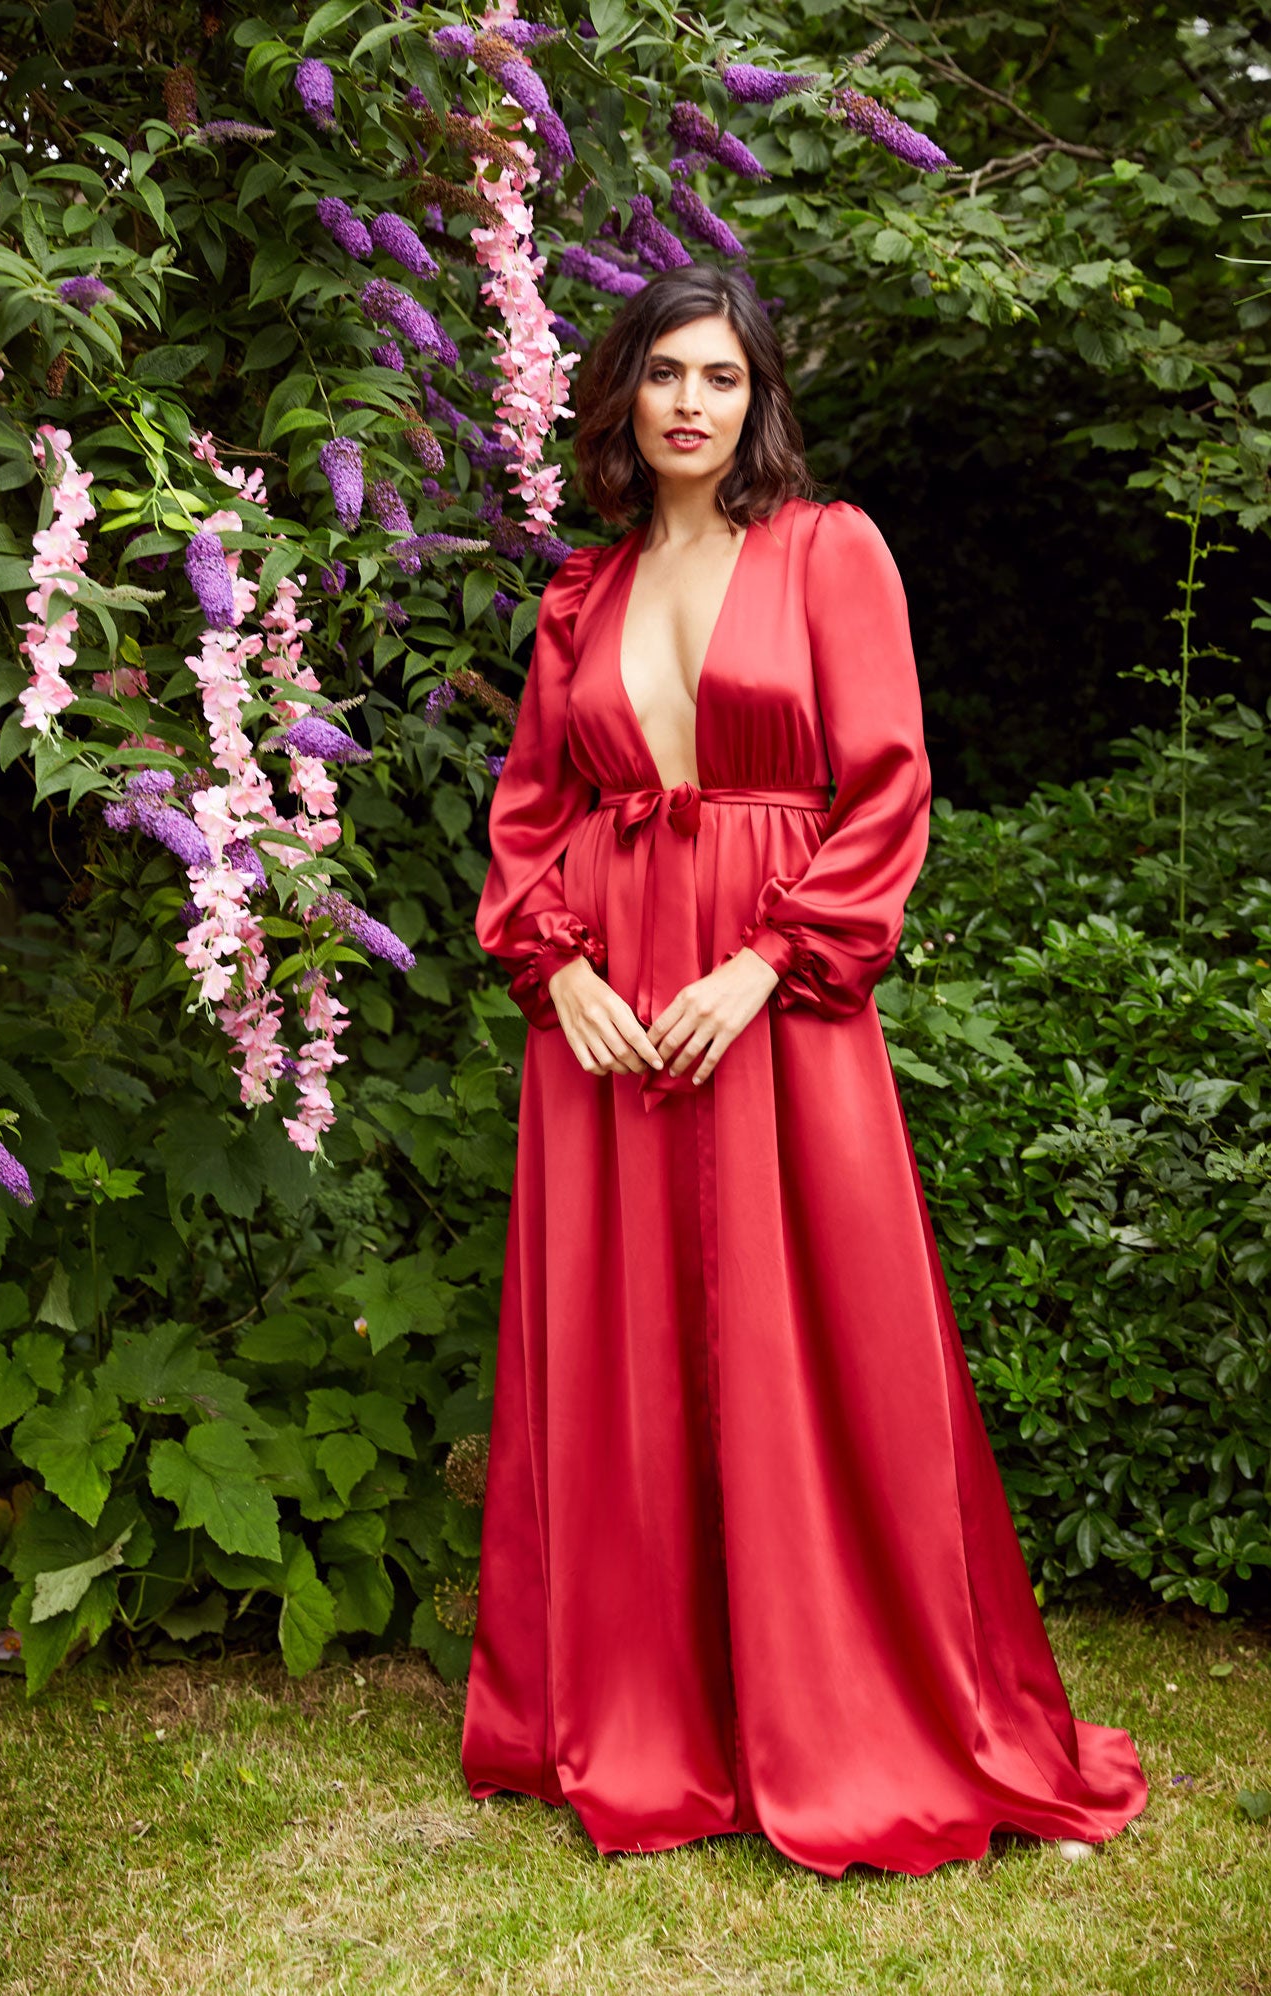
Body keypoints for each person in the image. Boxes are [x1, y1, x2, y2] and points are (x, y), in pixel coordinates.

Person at [460, 261, 1149, 1879]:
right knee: (624, 1353)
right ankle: (653, 1716)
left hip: (777, 1003)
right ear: (624, 396)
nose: (692, 402)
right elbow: (531, 816)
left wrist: (764, 965)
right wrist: (558, 971)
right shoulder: (579, 595)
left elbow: (886, 790)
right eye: (664, 375)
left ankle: (851, 1707)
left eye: (723, 376)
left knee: (821, 1343)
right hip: (615, 1024)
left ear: (761, 396)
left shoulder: (832, 552)